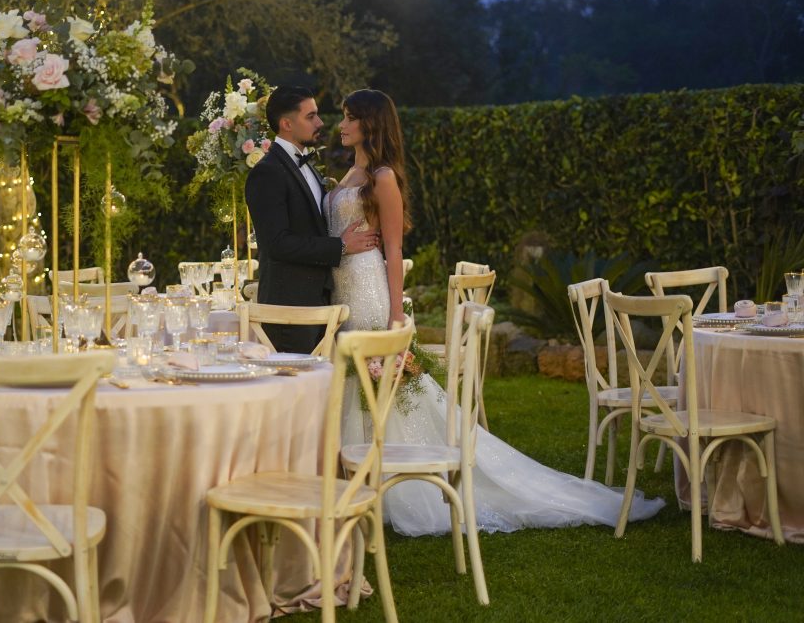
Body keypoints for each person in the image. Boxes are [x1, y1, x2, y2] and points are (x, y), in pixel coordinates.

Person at [328, 89, 665, 535]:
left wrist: (396, 314)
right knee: (354, 389)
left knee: (385, 391)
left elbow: (394, 249)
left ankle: (399, 487)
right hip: (341, 291)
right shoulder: (349, 172)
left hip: (370, 289)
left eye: (350, 118)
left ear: (370, 124)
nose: (342, 124)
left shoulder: (383, 177)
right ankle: (360, 479)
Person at [245, 85, 379, 354]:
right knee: (294, 392)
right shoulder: (267, 173)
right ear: (286, 124)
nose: (320, 122)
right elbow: (277, 244)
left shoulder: (306, 166)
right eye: (311, 116)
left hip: (320, 303)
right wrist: (339, 247)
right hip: (290, 310)